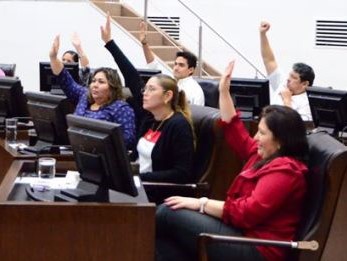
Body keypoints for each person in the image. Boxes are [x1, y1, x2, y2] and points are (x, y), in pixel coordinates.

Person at [156, 61, 309, 261]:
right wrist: (224, 91)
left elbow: (246, 213)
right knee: (168, 240)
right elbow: (233, 127)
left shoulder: (287, 171)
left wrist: (200, 203)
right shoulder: (264, 154)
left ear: (280, 140)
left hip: (257, 248)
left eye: (262, 133)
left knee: (167, 212)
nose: (255, 138)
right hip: (239, 232)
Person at [101, 15, 195, 187]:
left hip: (156, 191)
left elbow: (182, 173)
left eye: (151, 90)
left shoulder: (179, 125)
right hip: (136, 184)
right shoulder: (149, 119)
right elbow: (132, 78)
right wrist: (110, 43)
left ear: (167, 96)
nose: (145, 93)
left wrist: (139, 178)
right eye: (146, 89)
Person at [49, 35, 136, 149]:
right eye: (94, 81)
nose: (95, 85)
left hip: (102, 156)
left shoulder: (121, 109)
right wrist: (53, 57)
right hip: (77, 150)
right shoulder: (84, 95)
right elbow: (64, 78)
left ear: (112, 87)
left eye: (101, 82)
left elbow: (128, 140)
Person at [139, 21, 205, 106]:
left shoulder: (195, 90)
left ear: (191, 70)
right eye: (175, 64)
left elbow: (195, 116)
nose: (176, 68)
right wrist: (144, 44)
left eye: (181, 65)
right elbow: (153, 64)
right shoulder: (170, 79)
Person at [260, 21, 315, 121]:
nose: (288, 79)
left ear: (305, 84)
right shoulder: (283, 83)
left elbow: (294, 128)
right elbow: (269, 60)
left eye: (294, 77)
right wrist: (262, 34)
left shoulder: (308, 102)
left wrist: (287, 101)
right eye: (290, 75)